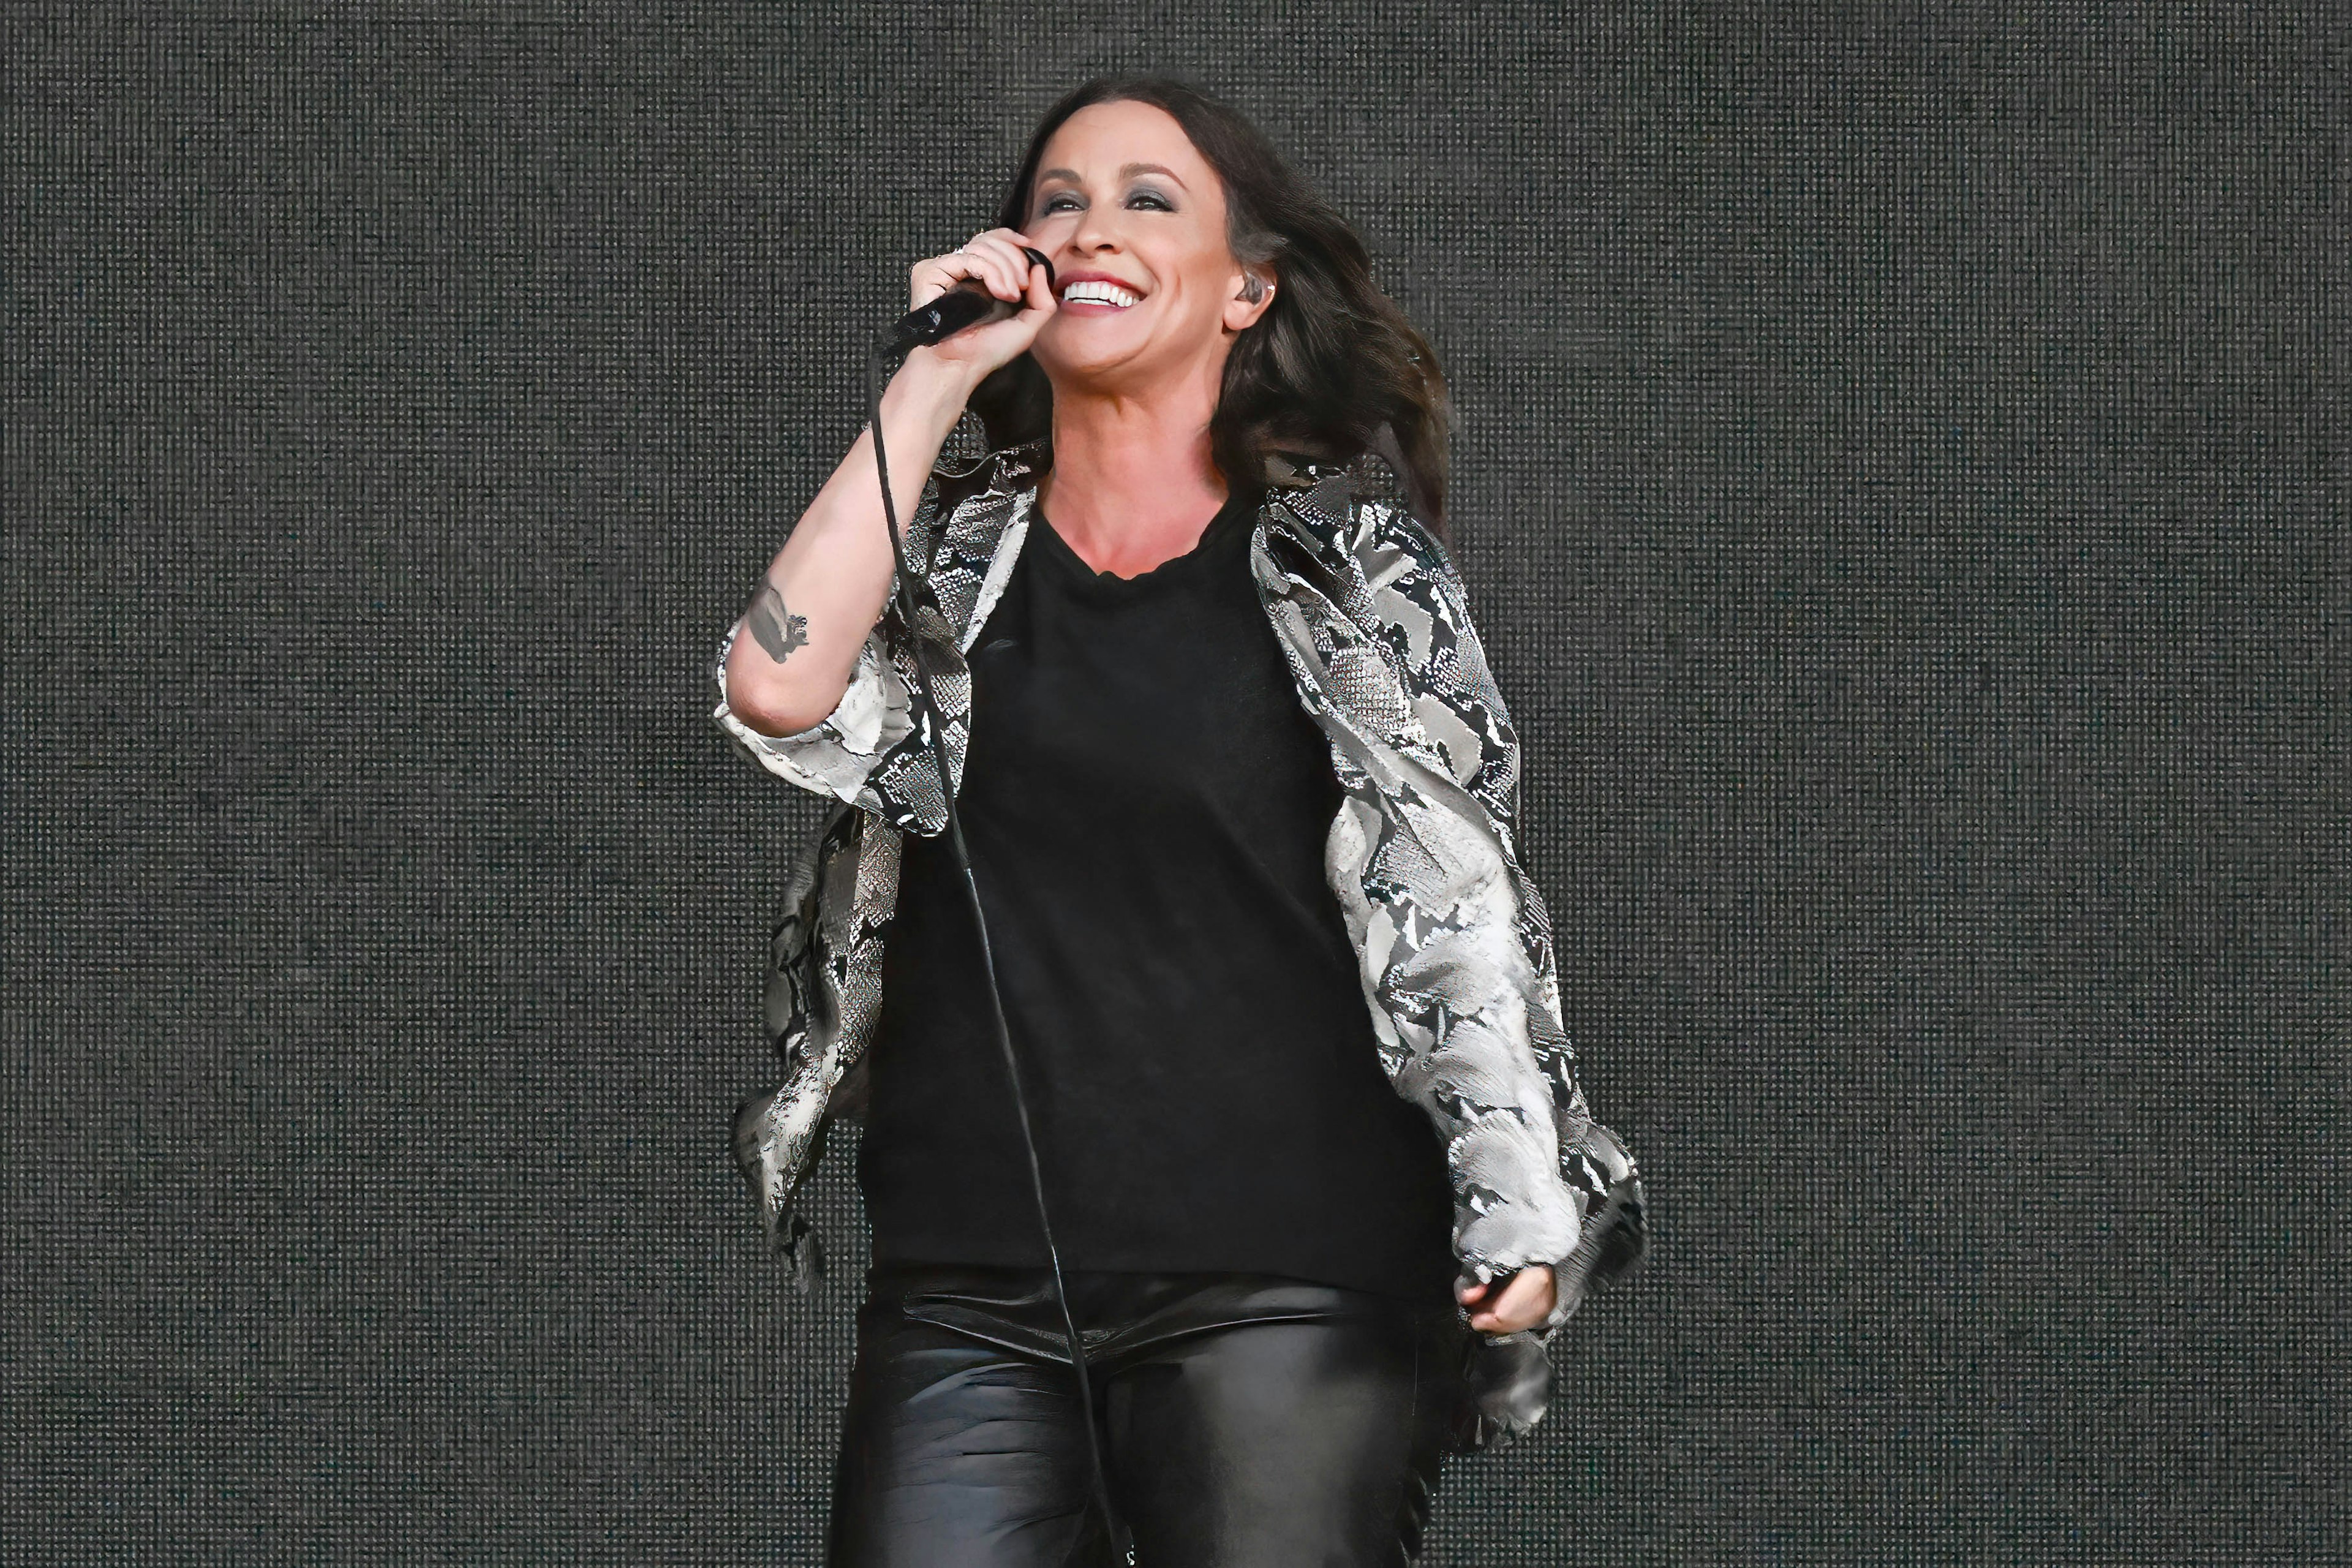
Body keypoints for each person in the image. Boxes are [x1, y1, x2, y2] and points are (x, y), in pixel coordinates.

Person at [712, 73, 1648, 1567]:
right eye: (1058, 202)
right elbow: (777, 686)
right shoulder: (948, 561)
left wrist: (1516, 1199)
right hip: (969, 1283)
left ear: (1244, 289)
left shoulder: (1349, 575)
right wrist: (930, 381)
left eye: (1151, 199)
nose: (1093, 228)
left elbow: (1453, 894)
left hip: (1287, 1279)